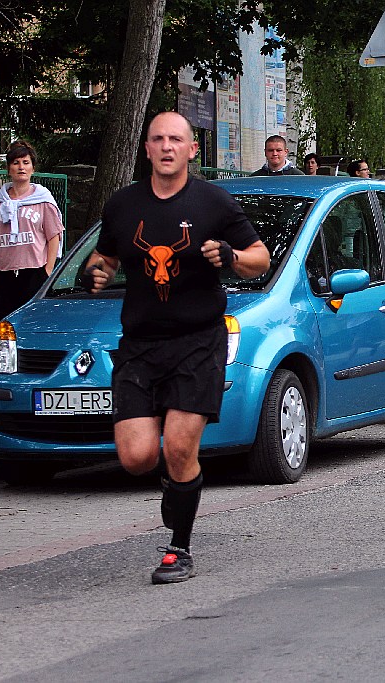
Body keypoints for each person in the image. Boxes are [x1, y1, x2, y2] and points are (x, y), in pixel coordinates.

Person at [82, 112, 270, 583]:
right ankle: (177, 481)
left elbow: (259, 259)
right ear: (146, 148)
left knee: (182, 446)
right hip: (141, 345)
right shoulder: (123, 205)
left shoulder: (215, 203)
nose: (167, 146)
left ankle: (178, 548)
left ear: (191, 149)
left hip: (197, 342)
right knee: (137, 457)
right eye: (158, 139)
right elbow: (103, 255)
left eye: (176, 139)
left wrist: (230, 257)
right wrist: (96, 271)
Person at [0, 140, 64, 324]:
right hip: (3, 275)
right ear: (9, 168)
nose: (21, 167)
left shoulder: (44, 201)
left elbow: (54, 236)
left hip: (34, 273)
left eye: (26, 163)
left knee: (32, 326)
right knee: (5, 330)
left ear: (33, 168)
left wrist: (46, 272)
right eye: (16, 163)